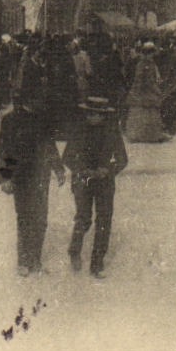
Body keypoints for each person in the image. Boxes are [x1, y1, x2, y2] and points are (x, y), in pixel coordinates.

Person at [0, 84, 60, 277]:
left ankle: (35, 259)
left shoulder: (43, 118)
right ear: (28, 100)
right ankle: (23, 261)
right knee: (25, 217)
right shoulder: (10, 120)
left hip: (41, 175)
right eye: (39, 98)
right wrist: (5, 177)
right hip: (20, 176)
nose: (42, 102)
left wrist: (58, 168)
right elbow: (2, 150)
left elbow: (50, 145)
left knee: (40, 218)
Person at [62, 96, 128, 279]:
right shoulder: (78, 130)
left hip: (104, 182)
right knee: (83, 218)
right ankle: (74, 250)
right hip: (83, 181)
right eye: (90, 114)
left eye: (97, 114)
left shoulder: (112, 132)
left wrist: (108, 170)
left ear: (104, 115)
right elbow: (67, 157)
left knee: (104, 220)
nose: (92, 117)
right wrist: (82, 170)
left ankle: (97, 262)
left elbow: (122, 159)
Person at [124, 42, 171, 143]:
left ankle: (148, 135)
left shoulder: (149, 63)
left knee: (147, 113)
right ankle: (147, 135)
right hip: (143, 91)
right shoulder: (144, 64)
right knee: (147, 113)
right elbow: (147, 81)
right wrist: (157, 91)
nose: (152, 56)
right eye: (150, 53)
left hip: (144, 91)